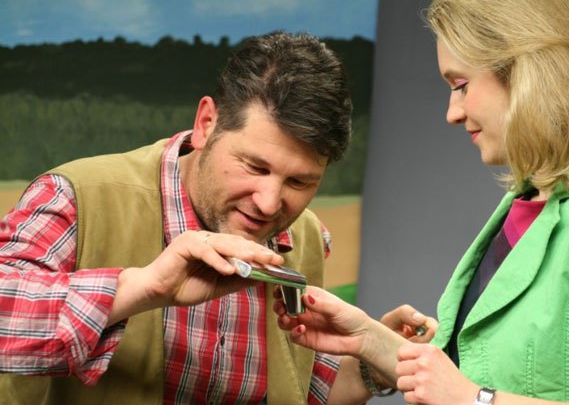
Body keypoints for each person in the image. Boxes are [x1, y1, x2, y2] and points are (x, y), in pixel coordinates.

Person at [275, 0, 569, 404]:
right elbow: (483, 375)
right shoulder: (527, 204)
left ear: (528, 73)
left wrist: (476, 399)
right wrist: (370, 340)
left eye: (461, 85)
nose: (453, 112)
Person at [0, 31, 365, 405]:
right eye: (255, 167)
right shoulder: (76, 197)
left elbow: (303, 386)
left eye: (299, 182)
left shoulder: (307, 237)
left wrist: (372, 365)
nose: (269, 204)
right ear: (207, 123)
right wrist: (143, 288)